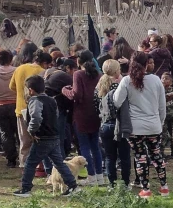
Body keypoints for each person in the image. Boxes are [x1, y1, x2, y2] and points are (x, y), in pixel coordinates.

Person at [113, 52, 169, 199]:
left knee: (140, 157)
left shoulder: (126, 81)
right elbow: (162, 106)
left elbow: (117, 101)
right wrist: (160, 123)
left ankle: (145, 189)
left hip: (135, 128)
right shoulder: (156, 80)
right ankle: (164, 187)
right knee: (157, 155)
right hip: (154, 126)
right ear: (147, 64)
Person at [12, 76, 79, 198]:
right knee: (59, 163)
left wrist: (32, 131)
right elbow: (56, 115)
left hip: (42, 138)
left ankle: (26, 188)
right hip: (54, 136)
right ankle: (72, 185)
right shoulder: (52, 100)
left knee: (30, 163)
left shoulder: (35, 101)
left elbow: (36, 118)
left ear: (31, 90)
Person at [62, 50, 105, 185]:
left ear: (78, 61)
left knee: (84, 146)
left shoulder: (78, 74)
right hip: (95, 114)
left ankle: (91, 176)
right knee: (95, 146)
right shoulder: (98, 75)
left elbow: (76, 95)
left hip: (81, 114)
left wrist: (65, 90)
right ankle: (100, 176)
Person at [10, 49, 51, 165]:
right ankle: (39, 166)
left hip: (20, 108)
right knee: (38, 139)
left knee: (24, 140)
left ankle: (24, 164)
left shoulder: (19, 68)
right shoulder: (43, 71)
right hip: (37, 108)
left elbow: (11, 86)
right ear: (44, 63)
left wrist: (21, 94)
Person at [97, 59, 131, 188]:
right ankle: (126, 183)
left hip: (105, 125)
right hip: (120, 124)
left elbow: (97, 107)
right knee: (124, 156)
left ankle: (112, 184)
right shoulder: (122, 86)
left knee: (110, 157)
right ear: (118, 71)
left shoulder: (100, 87)